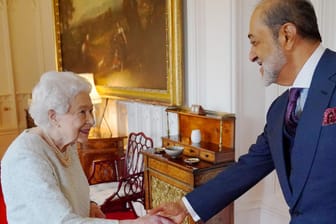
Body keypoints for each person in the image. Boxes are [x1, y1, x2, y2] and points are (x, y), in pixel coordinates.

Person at [150, 0, 336, 223]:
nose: (251, 55)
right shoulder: (279, 110)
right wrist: (185, 206)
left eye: (255, 42)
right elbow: (249, 167)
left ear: (286, 35)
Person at [1, 71, 174, 224]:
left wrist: (90, 205)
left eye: (91, 111)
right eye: (82, 112)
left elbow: (72, 191)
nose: (92, 120)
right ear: (54, 117)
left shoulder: (66, 144)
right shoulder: (26, 158)